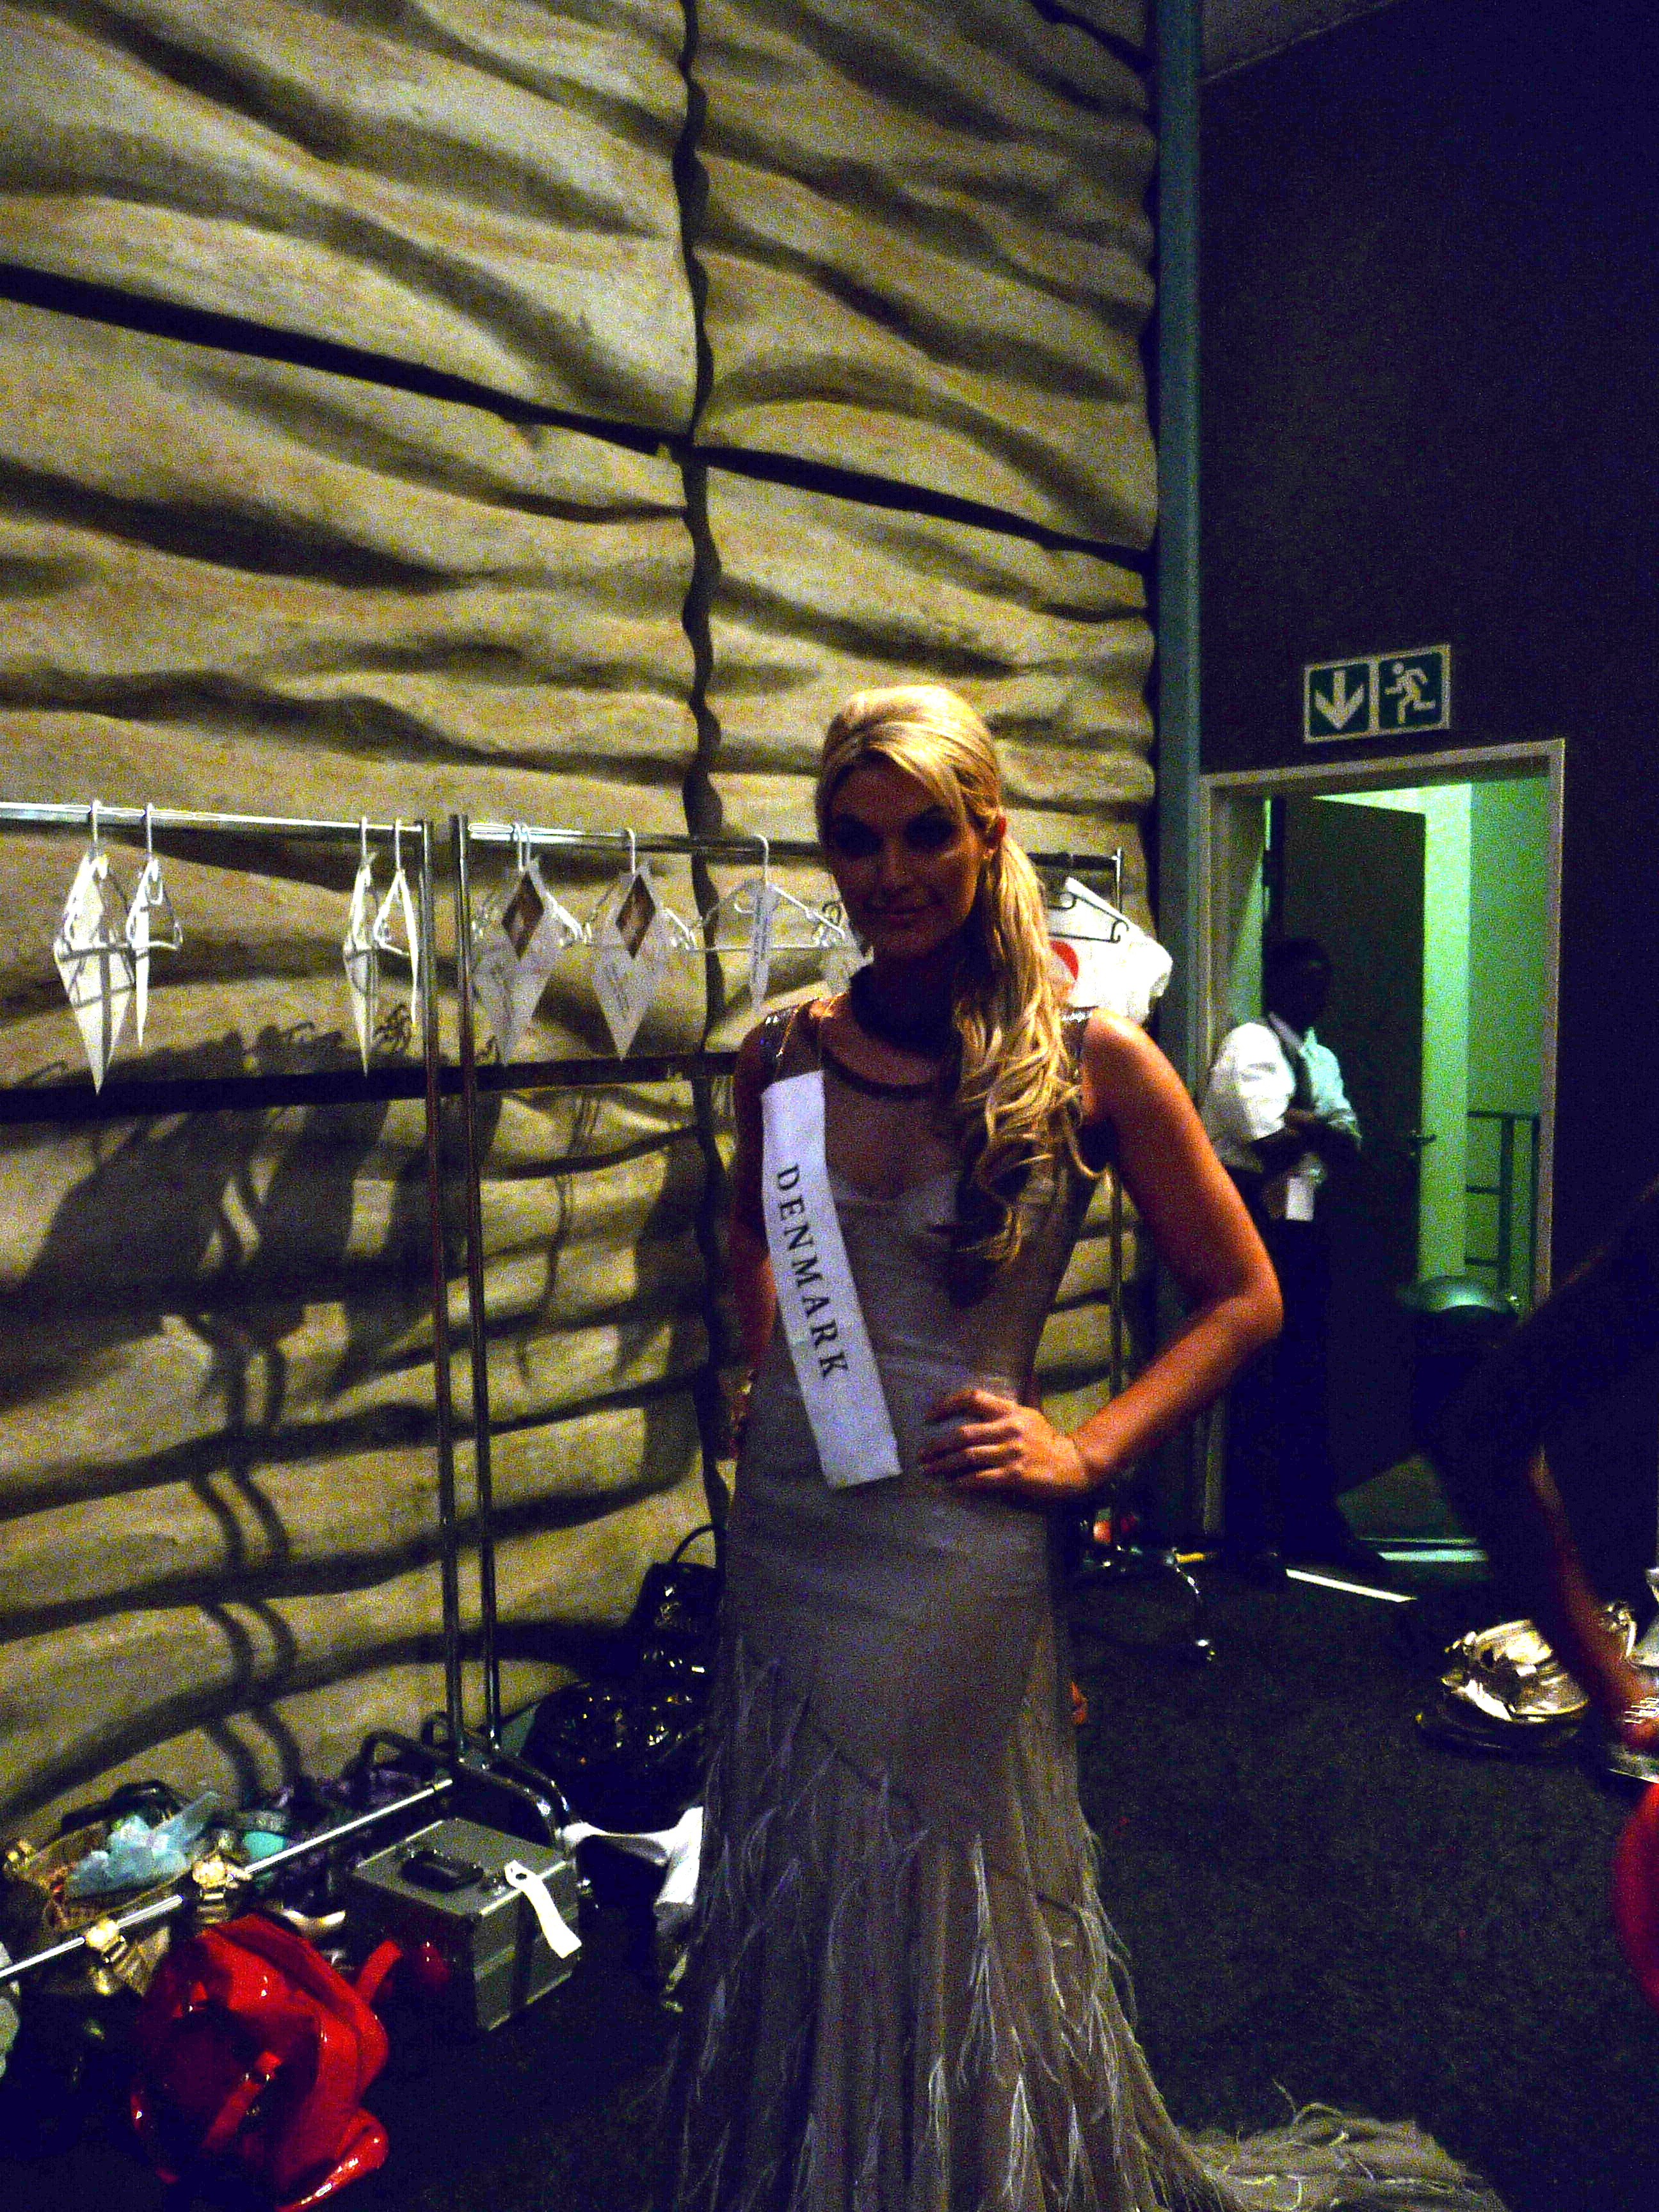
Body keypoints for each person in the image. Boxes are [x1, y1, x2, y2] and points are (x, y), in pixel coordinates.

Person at [659, 686, 1500, 2211]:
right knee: (803, 1849)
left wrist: (1094, 1452)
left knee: (928, 1871)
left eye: (925, 834)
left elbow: (1244, 1296)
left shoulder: (1094, 1058)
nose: (889, 872)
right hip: (793, 1525)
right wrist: (756, 1384)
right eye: (855, 838)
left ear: (987, 836)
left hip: (957, 1536)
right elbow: (751, 1235)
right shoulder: (777, 1050)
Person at [1199, 940, 1375, 1580]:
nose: (1314, 996)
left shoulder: (1319, 1057)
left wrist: (1308, 1122)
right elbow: (1269, 1143)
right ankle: (1250, 1536)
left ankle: (1310, 1523)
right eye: (1302, 983)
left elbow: (1350, 1143)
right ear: (1275, 986)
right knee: (1257, 1374)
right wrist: (1314, 1126)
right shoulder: (1250, 1045)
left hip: (1303, 1221)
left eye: (1321, 984)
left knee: (1308, 1372)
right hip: (1252, 1216)